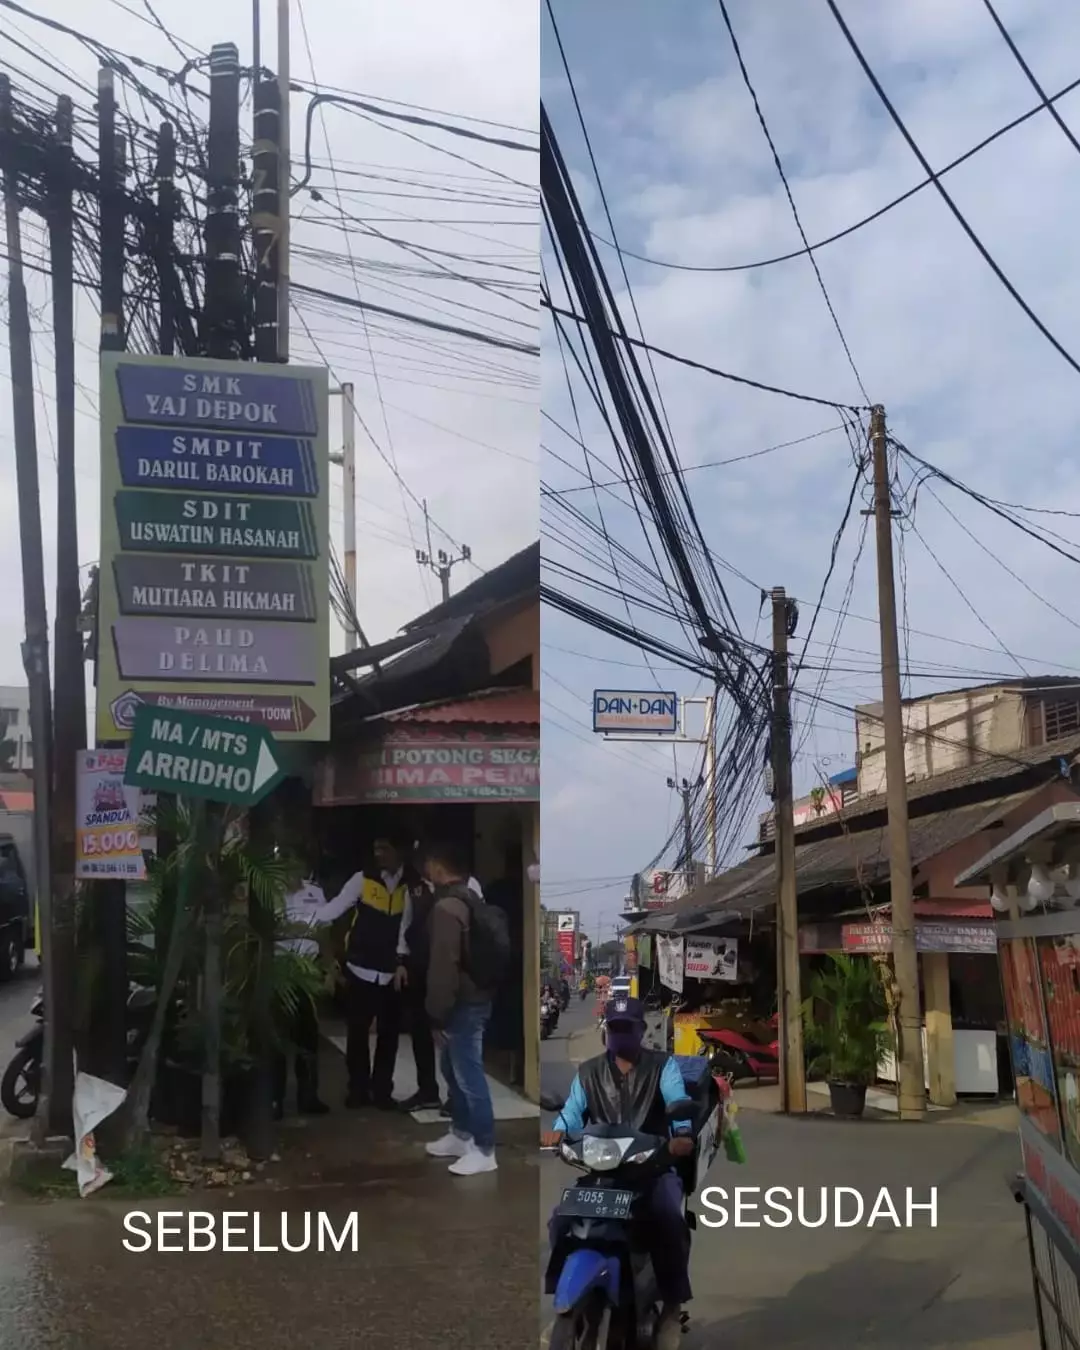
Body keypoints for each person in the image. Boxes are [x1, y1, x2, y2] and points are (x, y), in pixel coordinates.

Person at [541, 995, 694, 1349]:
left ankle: (671, 1307)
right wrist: (557, 1131)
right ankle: (566, 1306)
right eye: (615, 1028)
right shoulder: (589, 1072)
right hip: (602, 1171)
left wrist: (681, 1133)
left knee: (669, 1220)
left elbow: (676, 1101)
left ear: (642, 1030)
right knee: (560, 1220)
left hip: (651, 1168)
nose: (621, 1034)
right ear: (605, 1031)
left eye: (628, 1028)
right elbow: (571, 1113)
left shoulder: (662, 1066)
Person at [421, 839, 498, 1176]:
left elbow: (443, 966)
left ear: (438, 866)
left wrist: (436, 1014)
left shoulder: (446, 908)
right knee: (453, 1070)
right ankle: (461, 1133)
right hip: (476, 998)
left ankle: (484, 1149)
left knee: (468, 1077)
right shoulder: (471, 900)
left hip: (461, 1004)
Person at [340, 832, 426, 1110]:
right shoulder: (362, 878)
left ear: (399, 851)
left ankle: (381, 1091)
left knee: (389, 1035)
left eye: (384, 848)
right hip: (361, 967)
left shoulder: (415, 884)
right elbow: (339, 911)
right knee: (357, 1033)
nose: (379, 854)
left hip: (395, 971)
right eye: (376, 848)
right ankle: (357, 1089)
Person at [395, 868, 484, 1115]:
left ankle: (458, 1096)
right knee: (420, 1031)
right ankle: (427, 1092)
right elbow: (406, 924)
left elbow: (479, 926)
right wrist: (401, 961)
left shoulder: (468, 883)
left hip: (453, 969)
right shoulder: (414, 888)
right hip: (420, 967)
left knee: (451, 1035)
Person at [273, 873, 335, 1119]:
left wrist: (330, 969)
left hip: (309, 972)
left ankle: (308, 1096)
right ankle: (274, 1099)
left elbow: (325, 933)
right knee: (277, 1038)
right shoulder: (271, 891)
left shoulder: (315, 892)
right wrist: (293, 931)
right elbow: (264, 930)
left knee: (308, 1037)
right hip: (280, 974)